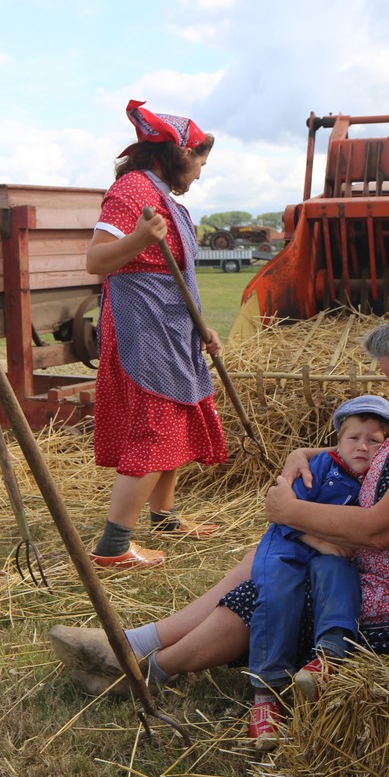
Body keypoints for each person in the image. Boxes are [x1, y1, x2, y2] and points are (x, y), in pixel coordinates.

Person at [49, 301, 389, 745]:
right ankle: (133, 644)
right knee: (271, 555)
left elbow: (382, 529)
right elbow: (381, 454)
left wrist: (289, 511)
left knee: (269, 591)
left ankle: (144, 672)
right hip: (385, 560)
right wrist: (306, 453)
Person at [84, 100, 227, 569]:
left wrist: (201, 328)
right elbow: (96, 261)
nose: (200, 173)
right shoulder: (132, 191)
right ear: (179, 154)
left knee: (175, 423)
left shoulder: (164, 198)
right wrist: (140, 239)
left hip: (173, 330)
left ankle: (164, 518)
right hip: (144, 333)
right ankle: (113, 546)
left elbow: (179, 278)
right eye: (199, 161)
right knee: (155, 430)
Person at [247, 394, 389, 749]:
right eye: (353, 438)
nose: (362, 447)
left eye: (374, 441)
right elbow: (284, 513)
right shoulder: (319, 467)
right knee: (279, 596)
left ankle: (329, 655)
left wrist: (330, 548)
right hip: (288, 543)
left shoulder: (381, 480)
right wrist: (320, 541)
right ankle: (265, 692)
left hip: (333, 548)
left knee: (340, 576)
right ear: (338, 441)